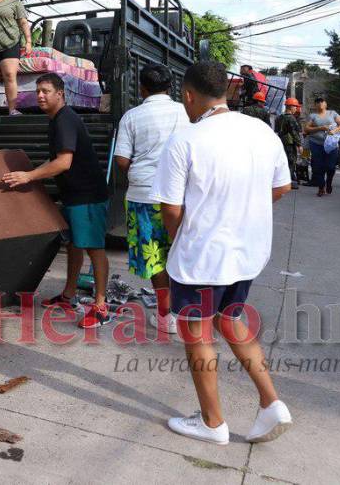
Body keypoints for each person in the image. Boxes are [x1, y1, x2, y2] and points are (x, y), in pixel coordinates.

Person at [152, 61, 293, 446]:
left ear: (189, 95)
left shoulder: (185, 140)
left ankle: (213, 423)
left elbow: (170, 208)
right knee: (232, 320)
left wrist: (181, 239)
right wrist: (243, 212)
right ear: (227, 93)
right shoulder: (262, 131)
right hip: (246, 253)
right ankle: (271, 402)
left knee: (197, 334)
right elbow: (281, 187)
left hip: (201, 259)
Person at [2, 73, 110, 329]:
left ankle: (102, 307)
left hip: (88, 196)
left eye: (46, 91)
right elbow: (58, 162)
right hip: (74, 195)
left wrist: (29, 176)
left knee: (94, 248)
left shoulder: (64, 120)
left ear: (60, 94)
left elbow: (64, 162)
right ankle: (68, 296)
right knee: (74, 245)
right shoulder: (57, 120)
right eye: (38, 90)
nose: (40, 95)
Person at [113, 63, 189, 335]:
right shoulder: (186, 112)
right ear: (171, 87)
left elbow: (121, 159)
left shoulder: (132, 116)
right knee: (183, 252)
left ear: (142, 87)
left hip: (144, 195)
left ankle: (166, 315)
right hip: (182, 195)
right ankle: (190, 311)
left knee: (155, 256)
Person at [304, 97, 340, 197]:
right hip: (316, 144)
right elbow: (306, 128)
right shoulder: (313, 116)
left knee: (331, 167)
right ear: (315, 105)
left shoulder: (332, 113)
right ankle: (321, 187)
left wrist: (334, 131)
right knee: (318, 166)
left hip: (331, 144)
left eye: (322, 102)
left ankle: (329, 182)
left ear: (326, 104)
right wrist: (320, 128)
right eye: (317, 102)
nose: (320, 104)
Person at [274, 98, 303, 189]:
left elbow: (277, 130)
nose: (296, 109)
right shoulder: (291, 118)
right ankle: (287, 182)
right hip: (289, 144)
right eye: (295, 107)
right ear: (291, 107)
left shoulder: (279, 117)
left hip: (280, 143)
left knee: (282, 162)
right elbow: (294, 132)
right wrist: (299, 145)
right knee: (290, 162)